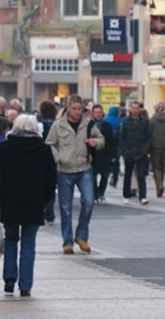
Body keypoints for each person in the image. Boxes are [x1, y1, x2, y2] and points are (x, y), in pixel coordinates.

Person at [0, 114, 57, 297]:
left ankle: (9, 277)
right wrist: (45, 199)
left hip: (10, 201)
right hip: (34, 202)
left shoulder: (6, 148)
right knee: (28, 243)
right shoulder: (44, 150)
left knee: (11, 239)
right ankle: (25, 285)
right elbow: (51, 180)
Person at [46, 95, 104, 254]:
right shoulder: (58, 126)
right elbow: (49, 145)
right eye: (74, 109)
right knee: (65, 208)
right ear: (68, 108)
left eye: (80, 109)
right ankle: (67, 242)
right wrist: (59, 158)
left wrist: (95, 143)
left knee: (89, 202)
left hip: (85, 167)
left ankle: (82, 236)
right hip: (65, 170)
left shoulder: (88, 124)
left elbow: (101, 140)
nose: (77, 112)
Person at [118, 100, 151, 205]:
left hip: (141, 152)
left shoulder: (145, 121)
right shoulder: (125, 121)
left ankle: (143, 197)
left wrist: (145, 149)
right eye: (134, 108)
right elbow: (122, 138)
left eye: (137, 108)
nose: (136, 110)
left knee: (141, 175)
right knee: (128, 175)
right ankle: (126, 195)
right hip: (129, 152)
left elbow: (148, 137)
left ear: (140, 109)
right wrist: (123, 151)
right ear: (130, 109)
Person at [89, 105, 115, 204]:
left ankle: (101, 193)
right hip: (93, 155)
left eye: (100, 112)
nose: (98, 114)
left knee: (105, 176)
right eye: (96, 112)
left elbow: (111, 141)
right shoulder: (89, 125)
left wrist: (113, 155)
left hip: (105, 155)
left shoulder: (107, 125)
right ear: (93, 114)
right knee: (93, 177)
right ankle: (95, 195)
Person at [38, 100, 59, 223]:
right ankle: (50, 212)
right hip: (55, 157)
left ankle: (42, 210)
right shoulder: (57, 124)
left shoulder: (40, 125)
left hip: (42, 157)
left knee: (41, 184)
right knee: (52, 184)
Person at [148, 101, 165, 198]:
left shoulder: (151, 121)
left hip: (154, 147)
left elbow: (148, 134)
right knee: (162, 166)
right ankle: (161, 184)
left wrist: (147, 147)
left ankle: (159, 185)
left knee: (155, 167)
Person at [104, 105, 123, 187]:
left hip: (107, 144)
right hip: (117, 144)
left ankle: (106, 177)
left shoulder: (105, 119)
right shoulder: (120, 120)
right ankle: (115, 178)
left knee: (107, 162)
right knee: (116, 161)